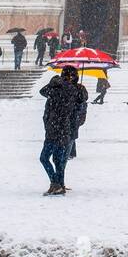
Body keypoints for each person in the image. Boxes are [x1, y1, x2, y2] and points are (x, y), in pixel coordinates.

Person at [38, 65, 88, 195]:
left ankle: (57, 184)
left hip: (60, 130)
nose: (69, 78)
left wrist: (55, 82)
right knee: (53, 160)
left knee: (52, 159)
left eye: (71, 76)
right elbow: (43, 92)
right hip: (58, 130)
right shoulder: (66, 89)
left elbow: (43, 91)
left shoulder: (65, 89)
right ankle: (58, 184)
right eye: (68, 76)